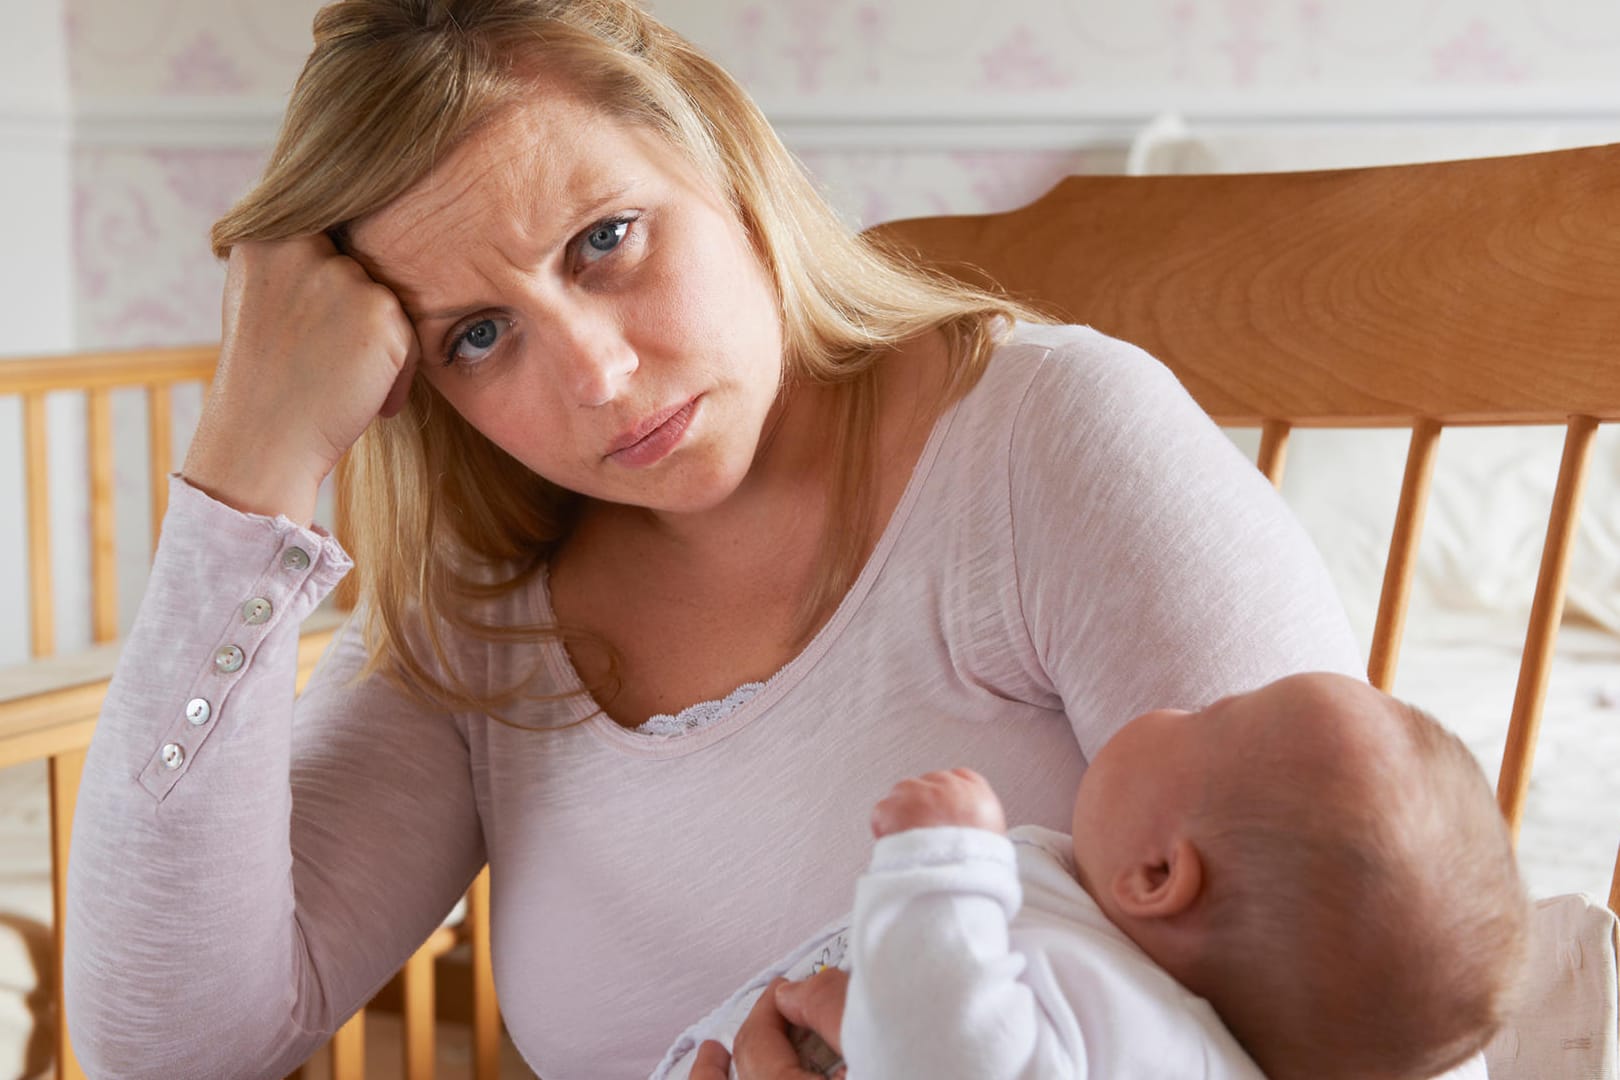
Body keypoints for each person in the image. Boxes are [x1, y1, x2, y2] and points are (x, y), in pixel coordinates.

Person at [60, 2, 1409, 1078]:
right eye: (477, 335)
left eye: (605, 241)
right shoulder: (481, 606)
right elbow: (171, 1041)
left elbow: (1369, 1015)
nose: (593, 377)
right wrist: (248, 461)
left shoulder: (1050, 442)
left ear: (720, 151)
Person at [659, 674, 1531, 1080]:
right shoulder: (1128, 976)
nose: (1176, 702)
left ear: (1157, 874)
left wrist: (941, 866)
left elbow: (947, 1060)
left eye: (1210, 715)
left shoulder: (1131, 1023)